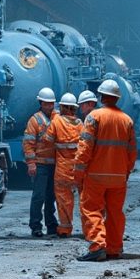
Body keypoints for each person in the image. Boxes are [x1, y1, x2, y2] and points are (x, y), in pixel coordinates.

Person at [73, 79, 137, 262]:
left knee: (91, 209)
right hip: (118, 177)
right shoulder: (127, 120)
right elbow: (132, 152)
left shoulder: (94, 117)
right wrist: (126, 172)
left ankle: (97, 246)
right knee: (115, 212)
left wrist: (78, 173)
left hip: (96, 176)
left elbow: (84, 148)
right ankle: (114, 249)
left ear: (101, 97)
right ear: (117, 98)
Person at [23, 87, 58, 237]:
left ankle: (51, 225)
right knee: (39, 196)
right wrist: (31, 163)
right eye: (46, 104)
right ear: (41, 103)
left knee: (51, 197)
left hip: (55, 164)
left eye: (51, 104)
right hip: (40, 164)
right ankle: (36, 226)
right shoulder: (35, 120)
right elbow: (28, 143)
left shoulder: (58, 117)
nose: (49, 106)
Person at [51, 93, 83, 238]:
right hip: (78, 168)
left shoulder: (57, 122)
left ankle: (65, 229)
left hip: (62, 168)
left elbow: (47, 139)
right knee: (86, 199)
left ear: (62, 107)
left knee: (64, 199)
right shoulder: (80, 124)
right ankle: (90, 229)